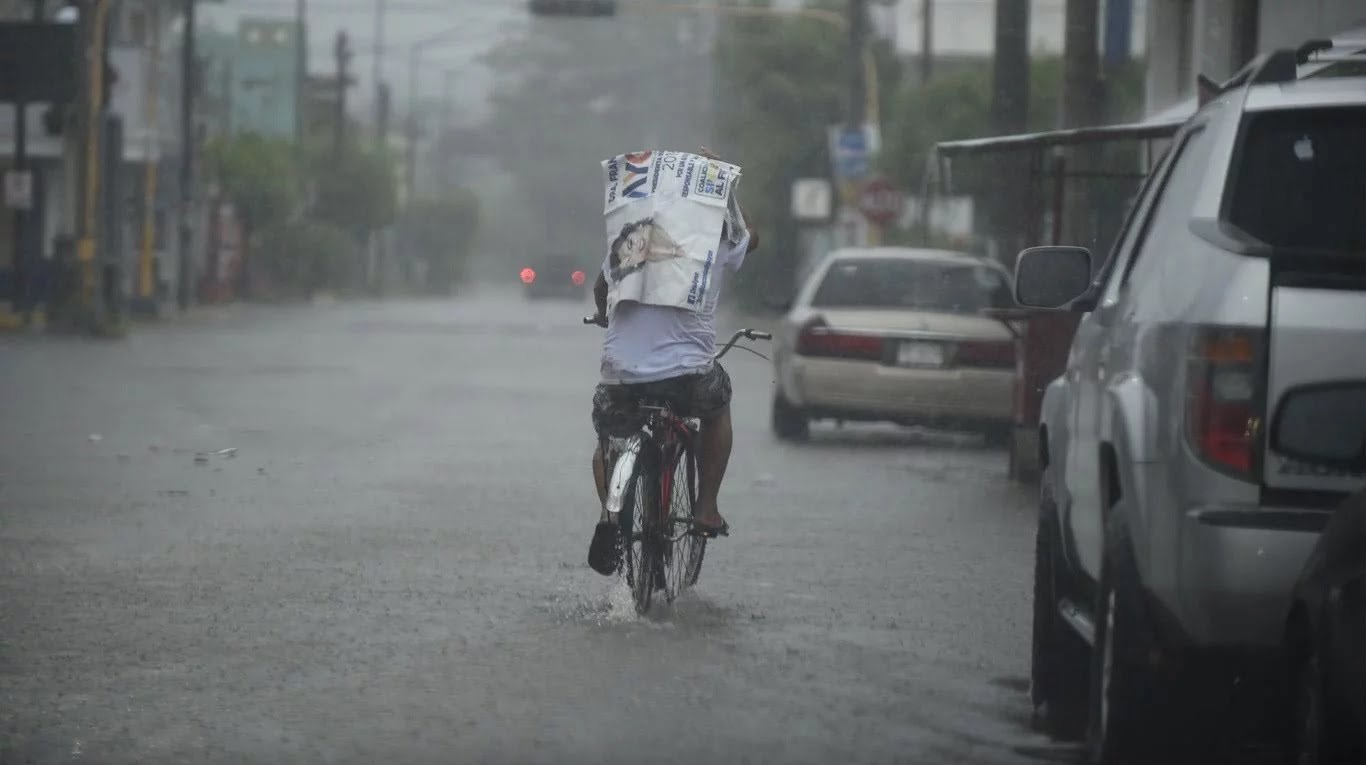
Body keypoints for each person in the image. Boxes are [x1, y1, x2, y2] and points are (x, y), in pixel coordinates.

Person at [586, 148, 760, 576]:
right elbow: (751, 238)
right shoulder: (712, 240)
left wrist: (608, 315)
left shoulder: (628, 239)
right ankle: (706, 508)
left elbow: (600, 288)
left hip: (623, 377)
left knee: (608, 437)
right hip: (688, 377)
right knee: (717, 409)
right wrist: (727, 185)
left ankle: (611, 514)